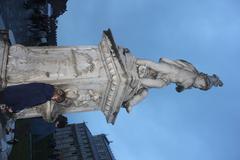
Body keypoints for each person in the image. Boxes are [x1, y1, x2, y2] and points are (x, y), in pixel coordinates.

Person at [0, 83, 68, 128]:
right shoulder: (43, 98)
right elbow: (27, 102)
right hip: (12, 98)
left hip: (12, 90)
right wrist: (13, 109)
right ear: (56, 97)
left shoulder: (47, 86)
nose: (53, 100)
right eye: (55, 100)